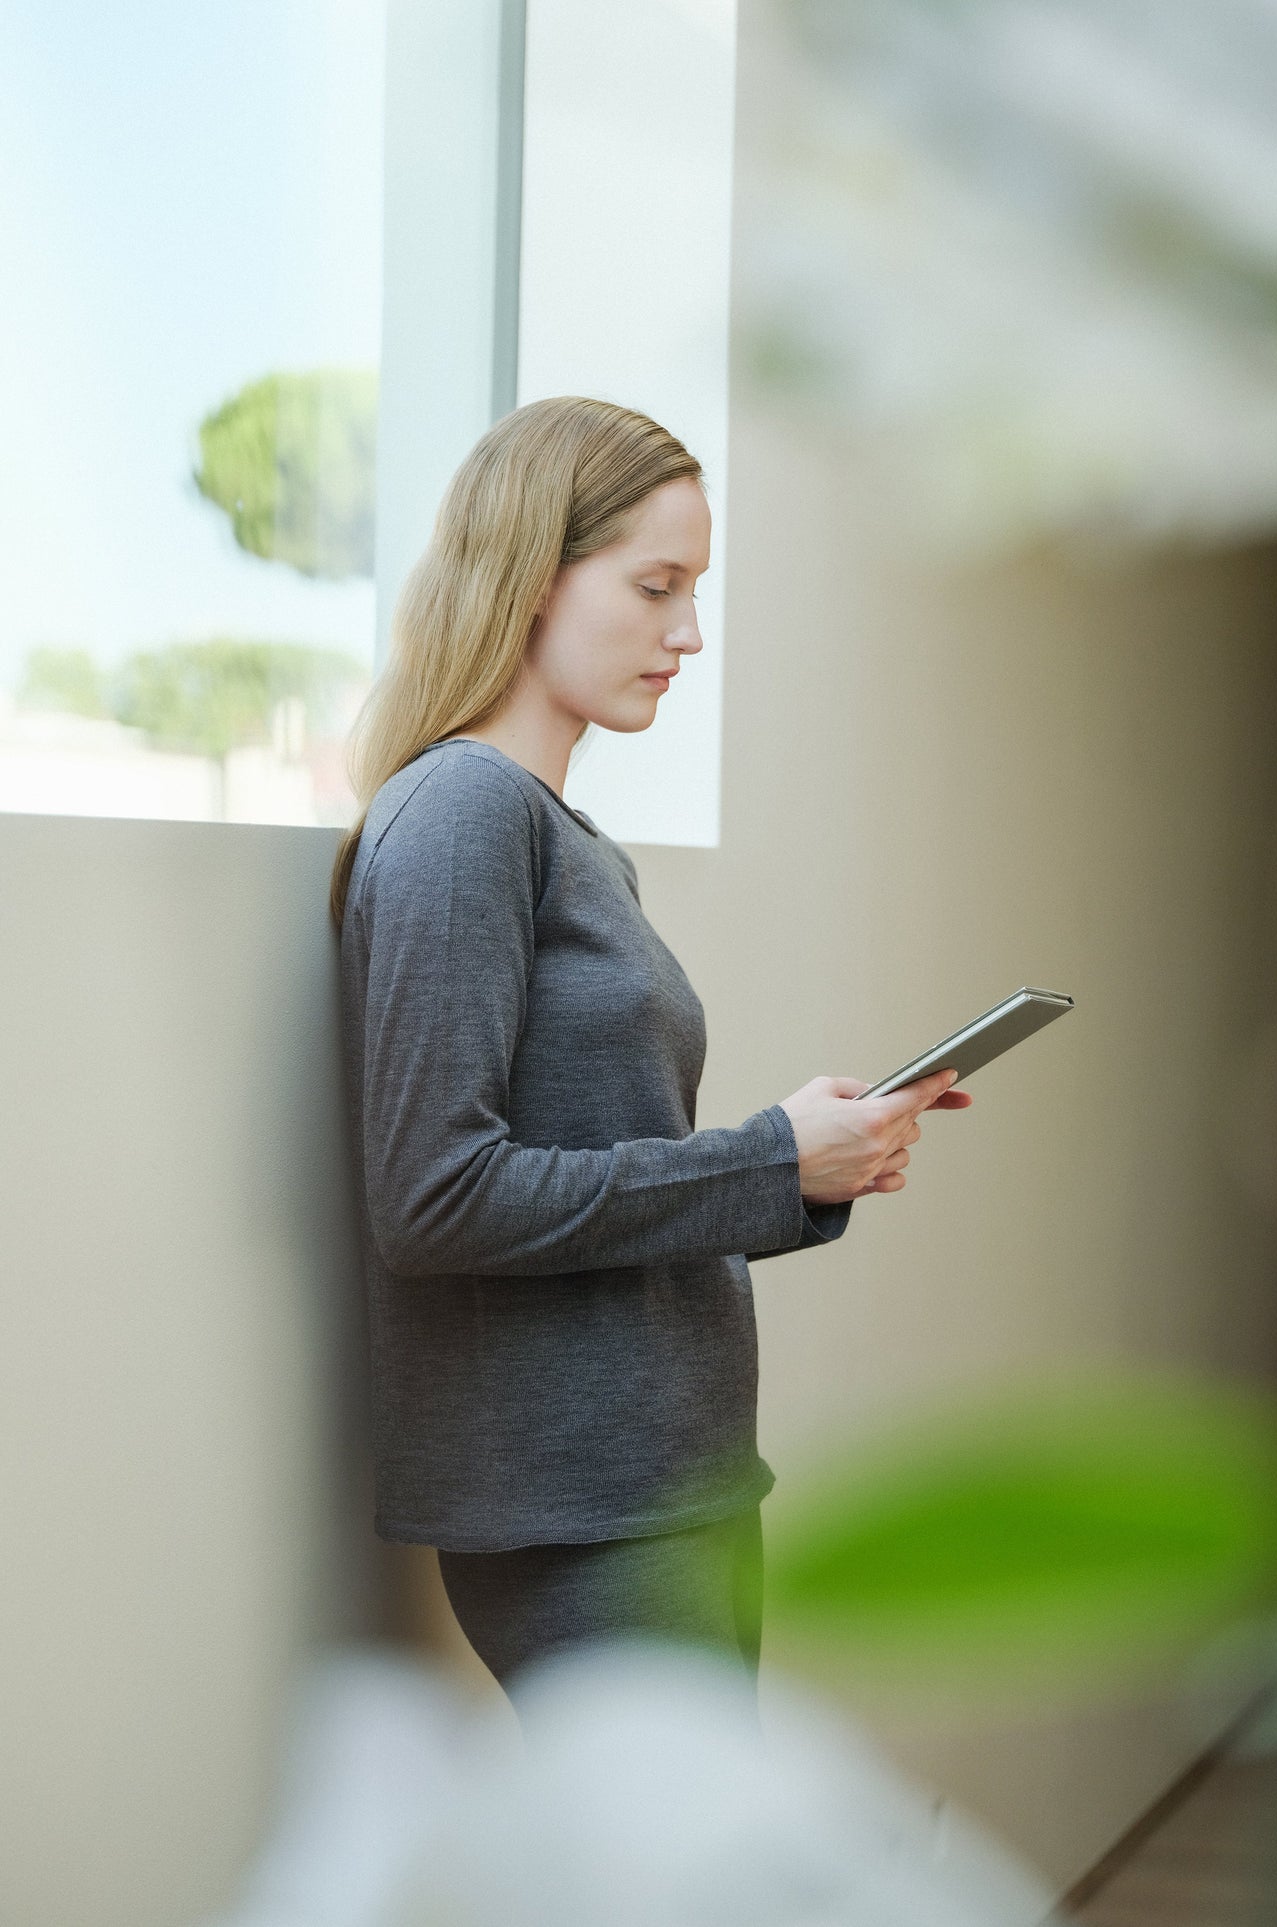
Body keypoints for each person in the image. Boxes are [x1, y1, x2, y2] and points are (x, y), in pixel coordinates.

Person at [329, 395, 969, 1707]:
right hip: (579, 1507)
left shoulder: (557, 837)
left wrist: (802, 1168)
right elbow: (434, 1197)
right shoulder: (460, 816)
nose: (686, 634)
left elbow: (583, 1157)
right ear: (528, 577)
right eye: (655, 586)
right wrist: (766, 1161)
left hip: (660, 1481)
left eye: (697, 591)